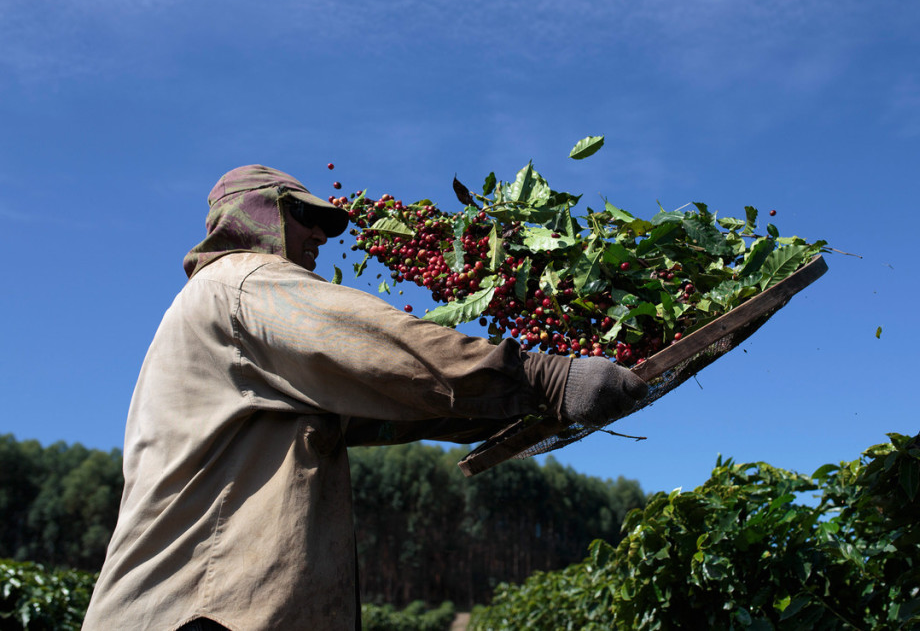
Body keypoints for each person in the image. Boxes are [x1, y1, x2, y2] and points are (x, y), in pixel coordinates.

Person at [82, 165, 648, 630]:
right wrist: (546, 377)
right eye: (303, 216)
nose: (320, 238)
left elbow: (381, 409)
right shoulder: (241, 283)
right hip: (196, 613)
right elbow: (383, 347)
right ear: (255, 215)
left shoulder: (224, 331)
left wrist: (507, 409)